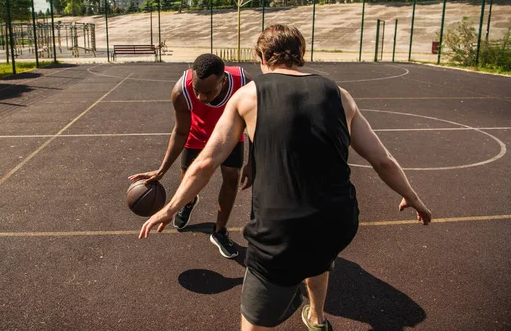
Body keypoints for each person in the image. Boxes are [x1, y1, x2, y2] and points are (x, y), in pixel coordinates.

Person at [139, 25, 432, 330]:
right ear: (301, 54)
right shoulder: (339, 94)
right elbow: (382, 159)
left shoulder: (247, 96)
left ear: (261, 56)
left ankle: (286, 292)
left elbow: (206, 163)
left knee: (254, 323)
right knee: (319, 252)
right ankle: (317, 319)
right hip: (338, 220)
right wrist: (412, 196)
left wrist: (171, 207)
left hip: (280, 230)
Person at [129, 53, 253, 259]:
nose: (202, 98)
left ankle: (220, 231)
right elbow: (179, 131)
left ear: (223, 80)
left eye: (209, 92)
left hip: (230, 135)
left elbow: (254, 123)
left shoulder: (245, 83)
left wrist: (252, 161)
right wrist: (161, 170)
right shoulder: (181, 91)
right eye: (198, 91)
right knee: (187, 176)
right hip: (197, 134)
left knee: (231, 178)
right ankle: (188, 202)